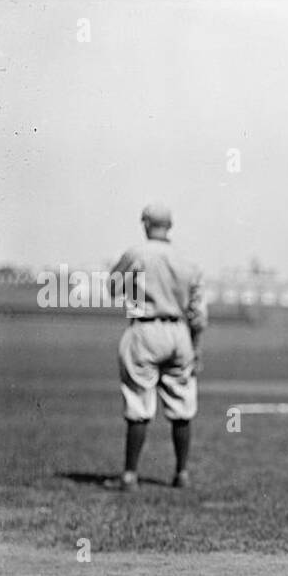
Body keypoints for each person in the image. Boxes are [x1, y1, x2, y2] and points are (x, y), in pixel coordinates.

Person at [112, 203, 206, 492]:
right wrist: (196, 347)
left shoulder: (136, 253)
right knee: (182, 404)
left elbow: (114, 287)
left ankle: (130, 476)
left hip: (146, 327)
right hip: (180, 332)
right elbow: (198, 313)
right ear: (170, 226)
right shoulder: (188, 261)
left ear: (145, 224)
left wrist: (137, 292)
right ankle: (182, 473)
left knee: (139, 402)